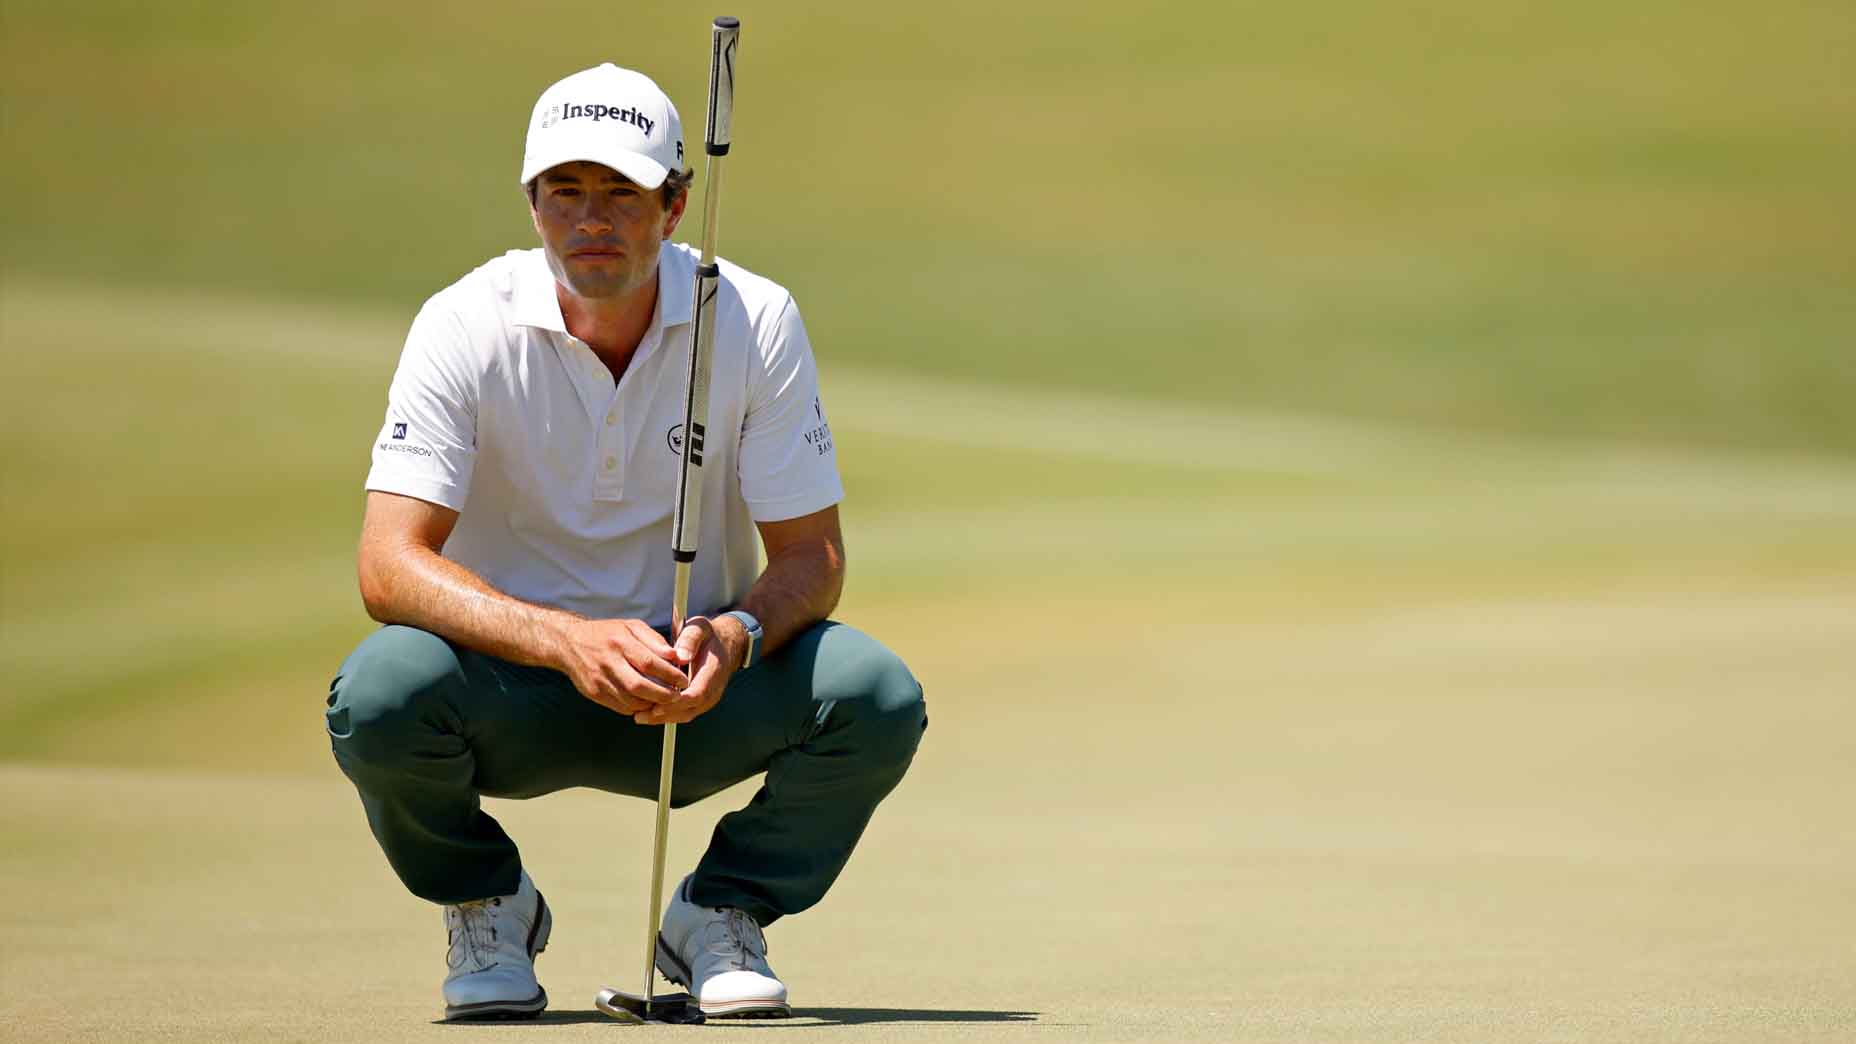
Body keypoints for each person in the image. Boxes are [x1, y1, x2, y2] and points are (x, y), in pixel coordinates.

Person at [323, 62, 926, 1022]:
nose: (590, 218)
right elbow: (386, 564)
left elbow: (814, 559)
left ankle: (718, 914)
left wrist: (731, 634)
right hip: (512, 685)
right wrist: (567, 641)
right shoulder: (462, 322)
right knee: (381, 692)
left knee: (874, 696)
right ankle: (488, 903)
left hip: (699, 690)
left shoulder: (753, 318)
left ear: (676, 204)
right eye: (565, 192)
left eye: (621, 193)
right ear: (533, 205)